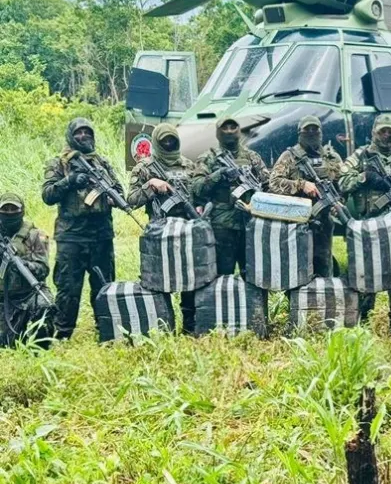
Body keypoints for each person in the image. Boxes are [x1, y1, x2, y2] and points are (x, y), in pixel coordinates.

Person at [42, 118, 124, 341]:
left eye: (87, 132)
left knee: (104, 285)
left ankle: (105, 331)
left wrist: (112, 195)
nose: (83, 136)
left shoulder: (102, 163)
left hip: (101, 235)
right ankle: (62, 334)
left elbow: (119, 190)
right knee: (68, 288)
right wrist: (70, 181)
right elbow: (47, 195)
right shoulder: (58, 163)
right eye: (78, 133)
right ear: (70, 136)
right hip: (71, 236)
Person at [338, 114, 391, 319]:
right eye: (382, 131)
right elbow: (341, 182)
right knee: (367, 272)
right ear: (373, 133)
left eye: (390, 132)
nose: (386, 135)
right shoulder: (361, 156)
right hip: (370, 224)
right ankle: (364, 319)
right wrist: (364, 178)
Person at [126, 123, 198, 334]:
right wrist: (150, 185)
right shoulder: (144, 167)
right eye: (164, 140)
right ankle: (164, 326)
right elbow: (130, 200)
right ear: (156, 141)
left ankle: (190, 327)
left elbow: (199, 194)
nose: (168, 144)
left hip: (185, 230)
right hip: (159, 231)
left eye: (171, 140)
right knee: (158, 279)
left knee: (189, 279)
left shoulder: (187, 165)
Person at [190, 117, 269, 276]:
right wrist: (219, 175)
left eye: (233, 127)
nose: (229, 131)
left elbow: (268, 184)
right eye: (225, 128)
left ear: (239, 131)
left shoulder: (251, 157)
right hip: (222, 225)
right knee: (223, 274)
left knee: (253, 274)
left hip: (250, 222)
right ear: (218, 133)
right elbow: (195, 187)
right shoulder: (209, 158)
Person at [269, 116, 344, 278]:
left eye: (315, 129)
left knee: (324, 262)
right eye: (307, 130)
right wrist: (301, 185)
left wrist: (337, 203)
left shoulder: (332, 157)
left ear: (321, 132)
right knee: (299, 265)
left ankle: (325, 295)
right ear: (299, 133)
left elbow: (342, 185)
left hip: (324, 220)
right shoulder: (289, 157)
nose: (311, 133)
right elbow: (273, 182)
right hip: (297, 220)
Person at [0, 193, 53, 348]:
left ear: (22, 211)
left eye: (13, 209)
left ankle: (39, 346)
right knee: (6, 343)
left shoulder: (36, 235)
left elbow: (43, 269)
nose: (9, 213)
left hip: (27, 295)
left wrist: (24, 265)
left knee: (45, 305)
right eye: (5, 209)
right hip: (2, 298)